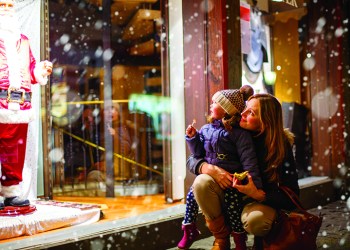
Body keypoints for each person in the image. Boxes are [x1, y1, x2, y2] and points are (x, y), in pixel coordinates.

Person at [187, 93, 300, 250]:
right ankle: (221, 240)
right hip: (227, 194)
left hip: (256, 201)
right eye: (245, 109)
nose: (243, 114)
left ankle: (264, 238)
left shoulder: (279, 146)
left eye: (251, 113)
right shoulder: (230, 129)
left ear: (265, 122)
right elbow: (193, 158)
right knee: (201, 182)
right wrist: (207, 167)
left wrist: (259, 194)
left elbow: (291, 194)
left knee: (257, 221)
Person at [178, 86, 263, 250]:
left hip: (231, 181)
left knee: (233, 207)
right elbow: (198, 154)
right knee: (192, 194)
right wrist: (193, 138)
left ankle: (239, 241)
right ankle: (190, 230)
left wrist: (254, 186)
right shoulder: (206, 129)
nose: (211, 105)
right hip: (211, 181)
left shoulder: (239, 134)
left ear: (226, 110)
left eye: (215, 102)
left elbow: (249, 160)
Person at [0, 0, 53, 209]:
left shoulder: (23, 41)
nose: (6, 11)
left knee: (14, 150)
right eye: (2, 6)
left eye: (9, 7)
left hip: (19, 106)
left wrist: (40, 70)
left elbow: (30, 70)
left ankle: (10, 192)